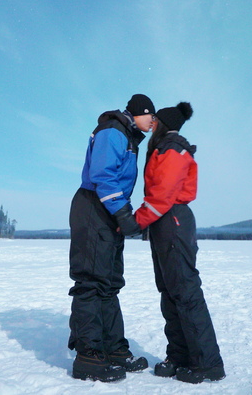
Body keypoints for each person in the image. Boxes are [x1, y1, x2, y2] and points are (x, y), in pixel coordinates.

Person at [134, 101, 225, 384]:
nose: (151, 127)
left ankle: (207, 363)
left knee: (185, 292)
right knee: (170, 292)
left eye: (154, 122)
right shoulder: (165, 148)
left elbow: (162, 195)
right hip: (164, 224)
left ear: (161, 123)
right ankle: (179, 356)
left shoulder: (172, 149)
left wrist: (135, 221)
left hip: (172, 221)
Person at [68, 93, 156, 382]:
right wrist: (122, 214)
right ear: (139, 114)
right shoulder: (113, 131)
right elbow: (103, 175)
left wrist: (124, 214)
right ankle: (88, 356)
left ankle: (113, 348)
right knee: (91, 281)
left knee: (109, 281)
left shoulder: (128, 136)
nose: (154, 122)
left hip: (108, 208)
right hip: (94, 205)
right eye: (151, 117)